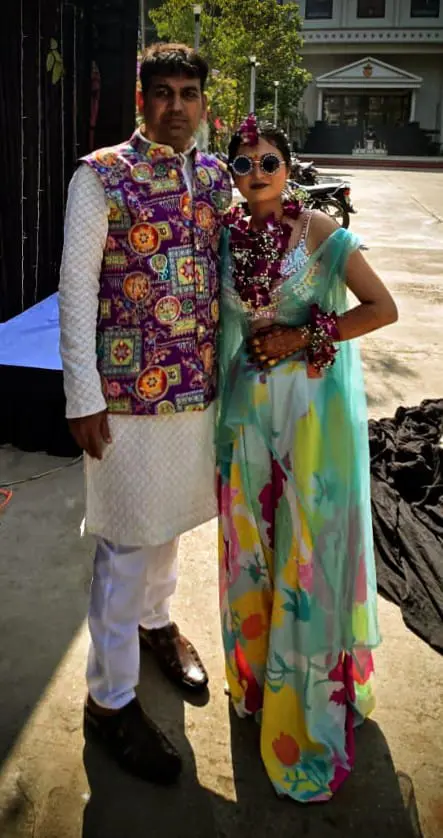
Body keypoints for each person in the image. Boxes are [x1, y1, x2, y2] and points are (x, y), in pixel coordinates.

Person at [58, 43, 232, 785]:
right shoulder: (101, 175)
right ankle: (109, 700)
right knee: (127, 545)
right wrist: (82, 395)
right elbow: (74, 288)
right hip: (125, 398)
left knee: (169, 528)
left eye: (188, 93)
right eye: (162, 92)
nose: (176, 106)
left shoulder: (215, 176)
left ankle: (157, 626)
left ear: (203, 102)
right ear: (141, 100)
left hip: (196, 390)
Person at [217, 115, 398, 803]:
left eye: (268, 161)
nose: (257, 174)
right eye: (243, 165)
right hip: (248, 421)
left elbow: (381, 308)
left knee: (306, 561)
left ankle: (307, 716)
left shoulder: (321, 231)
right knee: (252, 553)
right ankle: (260, 684)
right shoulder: (225, 237)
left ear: (288, 168)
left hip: (312, 426)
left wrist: (301, 338)